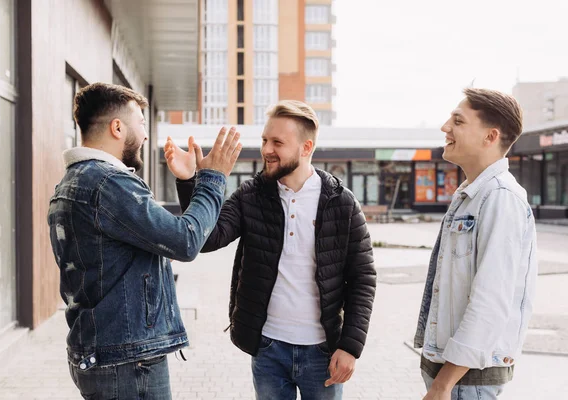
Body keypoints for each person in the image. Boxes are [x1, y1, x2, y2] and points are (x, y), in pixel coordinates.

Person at [164, 100, 377, 400]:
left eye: (277, 142)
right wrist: (189, 182)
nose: (266, 150)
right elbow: (207, 237)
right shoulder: (251, 195)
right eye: (265, 140)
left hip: (323, 353)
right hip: (268, 350)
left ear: (306, 148)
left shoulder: (342, 203)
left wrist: (350, 346)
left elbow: (363, 278)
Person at [48, 82, 241, 400]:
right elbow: (186, 240)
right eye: (140, 122)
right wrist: (213, 177)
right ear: (118, 127)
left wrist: (187, 180)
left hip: (103, 352)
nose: (146, 133)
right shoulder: (108, 183)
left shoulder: (71, 183)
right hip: (126, 361)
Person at [414, 88, 537, 400]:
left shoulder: (500, 198)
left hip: (466, 380)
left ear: (490, 136)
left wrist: (444, 384)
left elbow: (491, 300)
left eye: (458, 121)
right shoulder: (470, 194)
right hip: (452, 374)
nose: (445, 127)